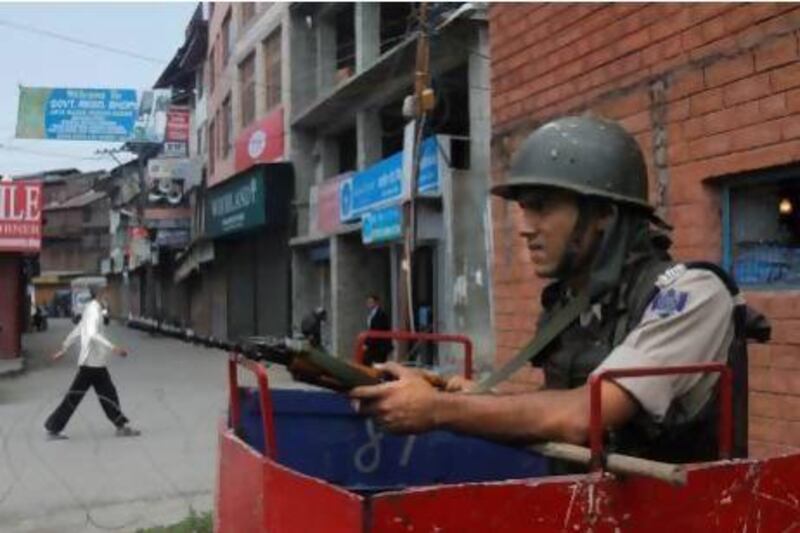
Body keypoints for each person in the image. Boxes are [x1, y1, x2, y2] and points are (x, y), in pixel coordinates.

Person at [351, 115, 744, 464]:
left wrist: (437, 409)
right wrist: (450, 395)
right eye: (524, 208)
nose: (525, 227)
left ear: (604, 214)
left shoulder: (693, 294)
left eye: (542, 207)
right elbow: (553, 409)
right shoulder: (577, 301)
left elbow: (581, 417)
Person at [45, 286, 140, 440]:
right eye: (106, 295)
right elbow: (92, 334)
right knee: (84, 396)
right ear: (100, 295)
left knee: (107, 394)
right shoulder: (94, 311)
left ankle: (120, 425)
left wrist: (64, 348)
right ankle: (54, 427)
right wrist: (113, 348)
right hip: (91, 363)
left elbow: (78, 330)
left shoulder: (90, 309)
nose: (108, 299)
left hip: (94, 363)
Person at [363, 294, 393, 366]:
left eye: (371, 302)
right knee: (367, 360)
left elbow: (377, 330)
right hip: (373, 344)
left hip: (379, 345)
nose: (369, 304)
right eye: (368, 302)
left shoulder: (381, 314)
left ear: (376, 303)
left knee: (375, 361)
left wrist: (367, 344)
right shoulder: (371, 315)